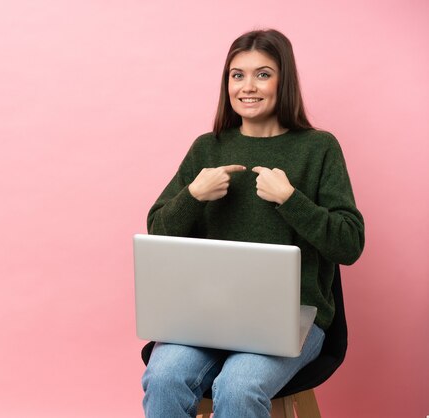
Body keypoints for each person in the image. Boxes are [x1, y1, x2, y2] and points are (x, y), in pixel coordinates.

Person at [141, 29, 365, 418]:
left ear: (285, 81)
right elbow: (158, 232)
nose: (247, 86)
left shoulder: (318, 148)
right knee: (164, 378)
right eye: (236, 74)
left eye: (263, 74)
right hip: (204, 317)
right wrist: (192, 196)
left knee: (239, 386)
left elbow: (349, 244)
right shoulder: (207, 148)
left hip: (292, 319)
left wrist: (290, 200)